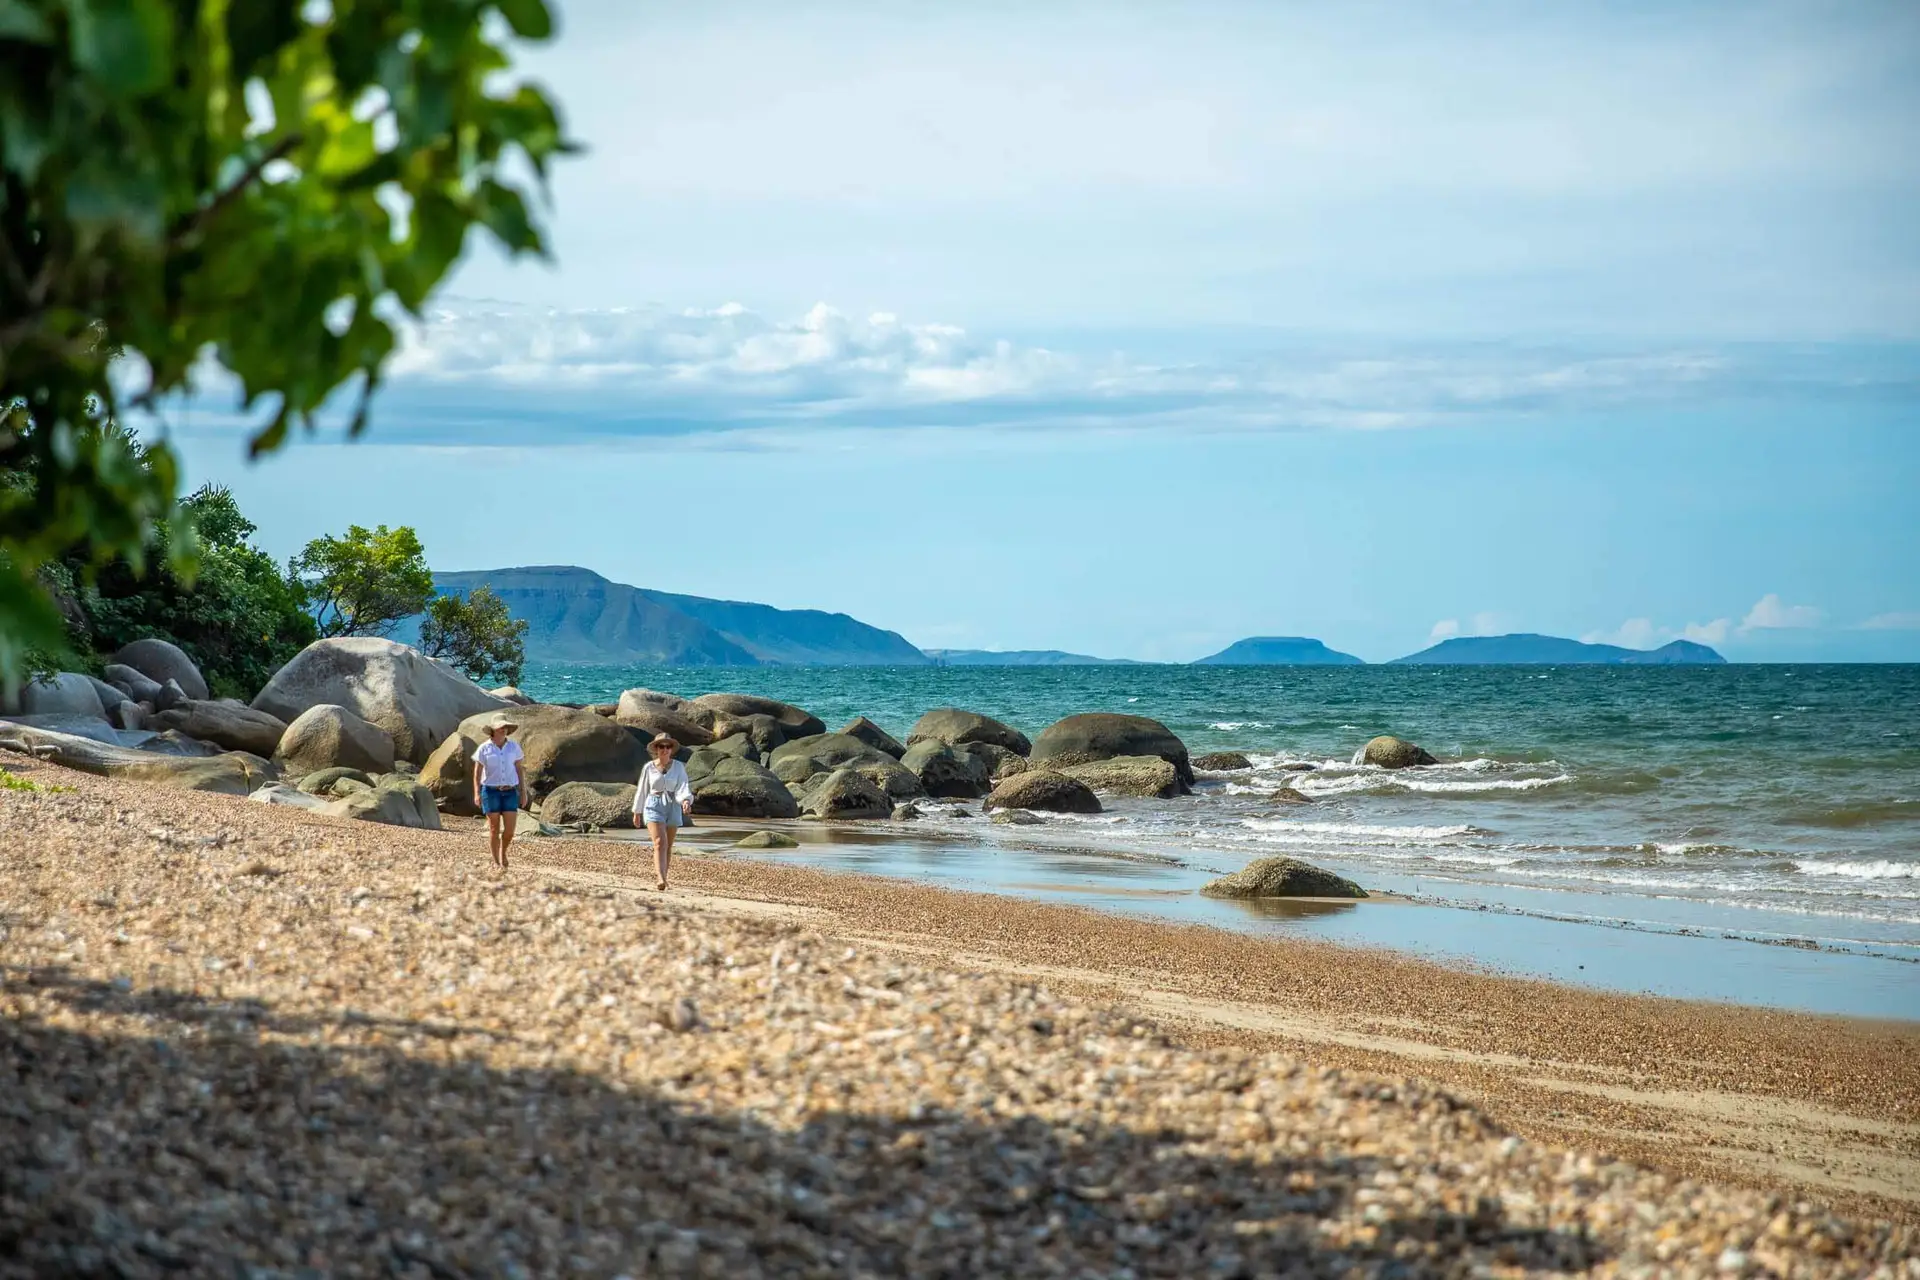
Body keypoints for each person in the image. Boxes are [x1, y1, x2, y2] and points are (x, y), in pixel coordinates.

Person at [632, 732, 695, 890]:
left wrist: (686, 801)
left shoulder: (679, 767)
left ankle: (665, 877)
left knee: (668, 845)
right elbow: (642, 789)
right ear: (656, 749)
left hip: (673, 805)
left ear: (671, 749)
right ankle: (660, 878)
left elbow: (683, 786)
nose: (665, 749)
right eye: (661, 746)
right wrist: (637, 812)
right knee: (660, 842)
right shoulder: (649, 767)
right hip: (653, 804)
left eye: (668, 747)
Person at [471, 716, 526, 872]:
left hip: (510, 791)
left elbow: (519, 769)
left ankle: (503, 853)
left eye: (505, 727)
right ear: (493, 730)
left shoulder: (513, 747)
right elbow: (477, 772)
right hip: (490, 791)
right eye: (501, 727)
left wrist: (523, 791)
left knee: (509, 831)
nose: (504, 729)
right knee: (494, 829)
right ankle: (496, 862)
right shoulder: (484, 748)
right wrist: (476, 793)